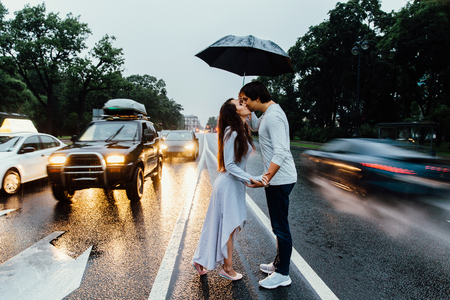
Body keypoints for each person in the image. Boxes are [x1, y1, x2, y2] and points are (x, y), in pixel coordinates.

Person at [191, 98, 267, 281]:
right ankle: (227, 267)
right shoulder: (231, 132)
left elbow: (256, 124)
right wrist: (252, 178)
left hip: (235, 185)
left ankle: (202, 259)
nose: (244, 105)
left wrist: (251, 107)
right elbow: (231, 165)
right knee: (229, 226)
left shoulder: (241, 129)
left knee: (221, 225)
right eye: (240, 104)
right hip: (228, 184)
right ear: (233, 112)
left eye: (243, 102)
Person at [239, 81, 297, 289]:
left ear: (256, 97)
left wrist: (265, 179)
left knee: (280, 227)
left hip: (281, 179)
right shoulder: (266, 115)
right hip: (277, 179)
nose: (243, 103)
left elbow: (282, 151)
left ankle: (283, 274)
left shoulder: (274, 116)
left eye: (245, 100)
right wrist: (246, 113)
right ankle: (278, 264)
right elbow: (255, 127)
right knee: (278, 225)